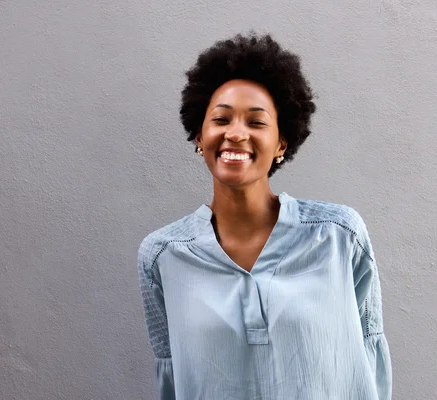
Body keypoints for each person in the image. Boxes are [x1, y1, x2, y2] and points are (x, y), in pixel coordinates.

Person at [138, 32, 392, 400]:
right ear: (199, 135)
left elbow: (369, 363)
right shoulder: (162, 255)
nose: (236, 134)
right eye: (221, 119)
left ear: (281, 143)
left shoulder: (339, 236)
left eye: (256, 123)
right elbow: (172, 378)